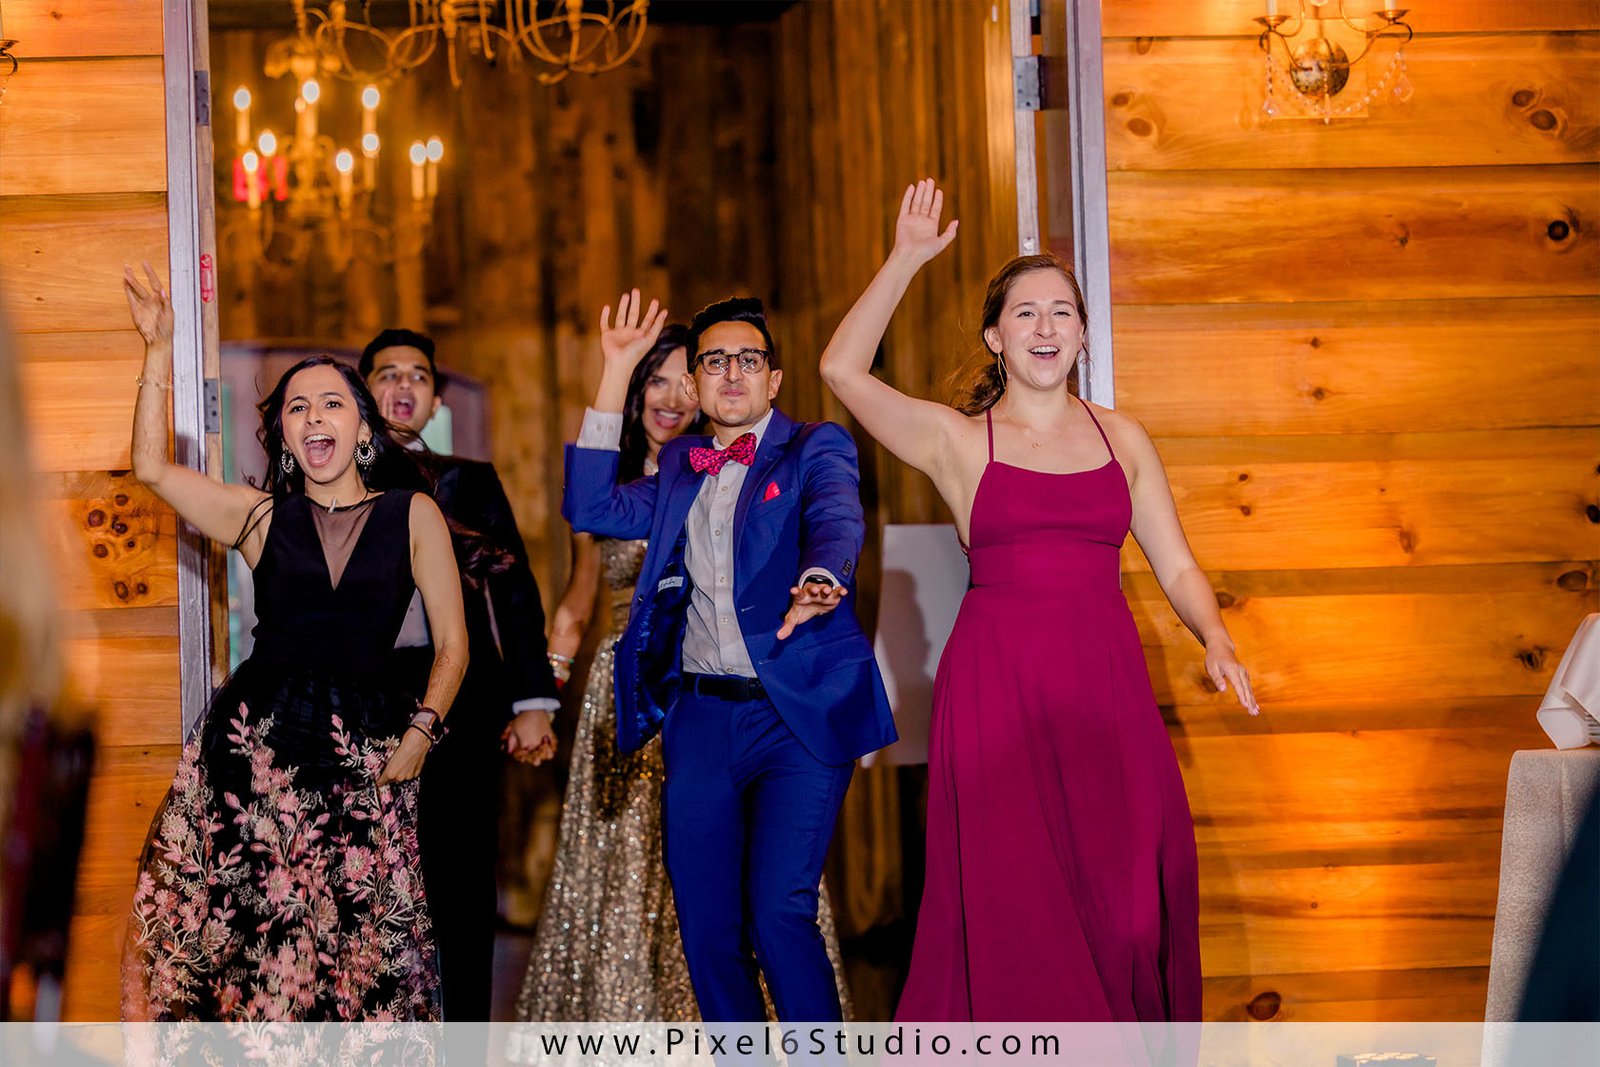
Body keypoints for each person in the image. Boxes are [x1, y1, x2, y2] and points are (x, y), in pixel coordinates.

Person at [818, 181, 1259, 1022]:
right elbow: (840, 369)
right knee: (1018, 910)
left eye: (1062, 312)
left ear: (1083, 333)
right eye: (1025, 313)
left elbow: (1176, 565)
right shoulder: (957, 440)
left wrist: (1215, 635)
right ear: (995, 337)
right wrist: (906, 257)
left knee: (1132, 909)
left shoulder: (1122, 437)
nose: (1046, 326)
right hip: (999, 697)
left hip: (1106, 693)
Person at [118, 265, 467, 1021]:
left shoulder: (413, 514)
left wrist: (422, 731)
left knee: (362, 953)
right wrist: (158, 348)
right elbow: (149, 468)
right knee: (255, 949)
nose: (314, 416)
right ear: (284, 434)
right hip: (257, 749)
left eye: (332, 402)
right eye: (297, 407)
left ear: (364, 429)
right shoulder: (258, 517)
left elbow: (453, 647)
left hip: (367, 748)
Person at [562, 292, 896, 1023]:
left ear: (773, 379)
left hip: (793, 717)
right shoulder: (681, 463)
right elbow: (590, 508)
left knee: (778, 914)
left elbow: (835, 518)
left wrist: (823, 575)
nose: (734, 373)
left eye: (749, 359)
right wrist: (616, 369)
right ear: (694, 383)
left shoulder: (815, 446)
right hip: (701, 722)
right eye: (715, 361)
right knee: (709, 931)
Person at [361, 328, 561, 1020]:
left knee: (465, 874)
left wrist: (532, 700)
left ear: (437, 400)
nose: (403, 386)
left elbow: (515, 592)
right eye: (387, 374)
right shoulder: (330, 479)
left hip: (463, 698)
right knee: (371, 874)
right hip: (364, 698)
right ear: (363, 394)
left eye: (418, 375)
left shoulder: (469, 481)